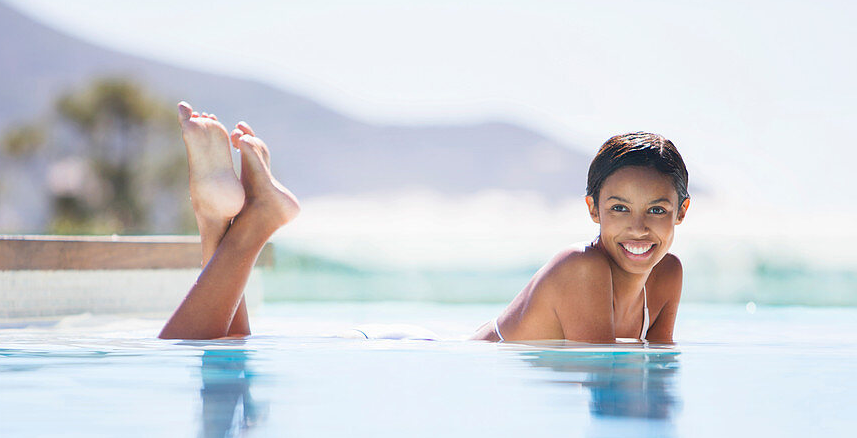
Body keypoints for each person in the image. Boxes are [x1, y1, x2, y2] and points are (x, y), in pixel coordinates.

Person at [159, 104, 690, 343]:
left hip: (428, 351)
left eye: (657, 211)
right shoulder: (583, 269)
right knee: (186, 348)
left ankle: (214, 216)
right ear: (592, 210)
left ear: (681, 212)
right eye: (619, 208)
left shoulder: (667, 277)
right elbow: (612, 386)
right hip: (398, 354)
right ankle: (251, 223)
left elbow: (658, 373)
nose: (639, 229)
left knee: (222, 348)